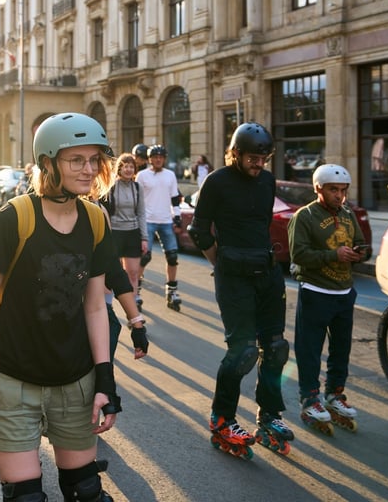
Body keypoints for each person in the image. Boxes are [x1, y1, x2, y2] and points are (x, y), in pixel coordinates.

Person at [0, 112, 121, 502]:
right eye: (76, 160)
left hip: (75, 380)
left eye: (95, 159)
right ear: (48, 163)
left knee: (86, 492)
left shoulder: (95, 219)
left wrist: (105, 379)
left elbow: (96, 308)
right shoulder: (13, 219)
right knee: (25, 498)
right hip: (13, 381)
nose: (89, 169)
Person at [188, 122, 293, 458]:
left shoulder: (266, 181)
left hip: (267, 271)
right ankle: (223, 419)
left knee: (275, 347)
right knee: (243, 351)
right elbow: (199, 229)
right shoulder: (216, 181)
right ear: (235, 153)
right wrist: (221, 263)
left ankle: (269, 416)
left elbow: (261, 224)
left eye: (264, 158)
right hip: (233, 276)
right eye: (252, 158)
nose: (258, 164)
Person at [288, 164, 367, 433]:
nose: (339, 196)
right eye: (334, 190)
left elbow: (361, 243)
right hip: (316, 292)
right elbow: (298, 255)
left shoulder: (347, 214)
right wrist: (334, 256)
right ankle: (310, 399)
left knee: (341, 349)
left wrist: (360, 254)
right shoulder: (305, 216)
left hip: (344, 292)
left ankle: (335, 395)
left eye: (343, 190)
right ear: (318, 188)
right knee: (310, 349)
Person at [135, 144, 184, 311]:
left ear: (164, 159)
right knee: (144, 257)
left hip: (165, 220)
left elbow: (175, 198)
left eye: (161, 157)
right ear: (150, 159)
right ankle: (137, 291)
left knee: (172, 256)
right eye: (155, 157)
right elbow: (137, 199)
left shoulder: (170, 175)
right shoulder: (141, 176)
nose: (158, 159)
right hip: (147, 220)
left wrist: (177, 217)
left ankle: (172, 291)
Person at [105, 153, 148, 310]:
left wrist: (144, 237)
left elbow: (142, 213)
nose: (129, 169)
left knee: (133, 272)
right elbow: (105, 213)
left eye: (131, 166)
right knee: (110, 272)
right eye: (125, 166)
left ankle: (133, 303)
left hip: (133, 233)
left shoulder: (137, 188)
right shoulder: (111, 187)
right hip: (115, 233)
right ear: (119, 169)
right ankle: (107, 305)